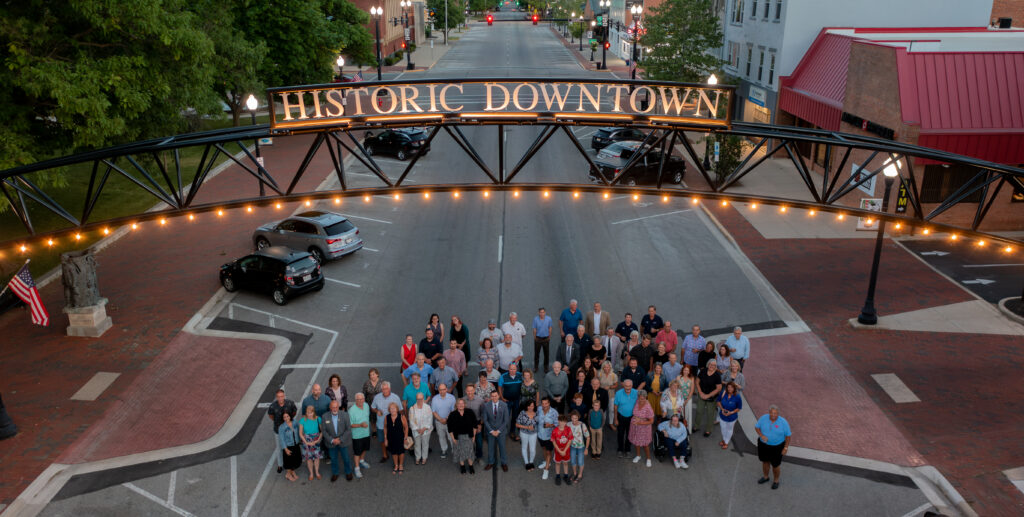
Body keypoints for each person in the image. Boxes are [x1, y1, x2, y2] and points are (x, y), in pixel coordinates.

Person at [756, 405, 792, 490]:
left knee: (775, 465)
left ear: (778, 413)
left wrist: (785, 448)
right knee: (765, 462)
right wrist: (761, 435)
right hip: (764, 445)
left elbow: (788, 436)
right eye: (772, 413)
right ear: (769, 412)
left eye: (775, 413)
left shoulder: (783, 422)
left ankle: (776, 481)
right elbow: (757, 427)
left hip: (777, 447)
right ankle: (766, 477)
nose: (773, 415)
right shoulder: (763, 418)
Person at [321, 400, 354, 482]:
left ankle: (348, 472)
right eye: (333, 407)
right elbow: (324, 431)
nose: (335, 409)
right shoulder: (324, 416)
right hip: (331, 443)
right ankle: (335, 473)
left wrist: (340, 439)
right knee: (333, 459)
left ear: (338, 407)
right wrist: (332, 440)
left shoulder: (345, 415)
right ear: (330, 407)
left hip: (343, 442)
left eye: (336, 407)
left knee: (346, 458)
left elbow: (348, 430)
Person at [267, 389, 297, 474]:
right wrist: (278, 422)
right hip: (278, 430)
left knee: (290, 446)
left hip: (289, 429)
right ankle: (280, 465)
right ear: (276, 397)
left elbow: (294, 412)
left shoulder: (290, 403)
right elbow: (271, 415)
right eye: (278, 397)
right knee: (279, 448)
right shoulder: (273, 406)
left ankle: (291, 464)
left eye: (282, 396)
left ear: (284, 396)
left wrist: (289, 420)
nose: (280, 398)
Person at [371, 381, 402, 463]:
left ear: (389, 389)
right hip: (381, 424)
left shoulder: (395, 397)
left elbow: (400, 410)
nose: (385, 390)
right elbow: (373, 407)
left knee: (394, 440)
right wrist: (377, 411)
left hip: (393, 424)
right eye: (383, 389)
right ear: (381, 389)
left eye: (386, 389)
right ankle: (385, 455)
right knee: (382, 440)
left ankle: (396, 456)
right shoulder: (377, 397)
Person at [448, 397, 479, 474]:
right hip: (458, 437)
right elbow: (450, 428)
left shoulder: (470, 412)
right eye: (459, 403)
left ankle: (471, 466)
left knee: (470, 452)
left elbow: (475, 425)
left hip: (469, 436)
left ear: (465, 404)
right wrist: (453, 439)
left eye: (462, 403)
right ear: (456, 405)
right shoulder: (452, 414)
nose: (461, 405)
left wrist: (474, 436)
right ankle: (462, 466)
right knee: (460, 452)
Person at [482, 390, 510, 471]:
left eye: (495, 396)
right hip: (490, 431)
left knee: (502, 447)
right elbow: (485, 420)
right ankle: (490, 462)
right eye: (492, 396)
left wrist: (498, 431)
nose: (494, 398)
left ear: (498, 396)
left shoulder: (504, 405)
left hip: (501, 431)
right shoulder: (486, 405)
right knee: (490, 448)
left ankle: (504, 463)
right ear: (490, 397)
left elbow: (506, 420)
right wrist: (491, 431)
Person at [302, 384, 331, 460]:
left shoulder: (327, 399)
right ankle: (313, 455)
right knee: (314, 439)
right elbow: (304, 414)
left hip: (324, 423)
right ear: (312, 391)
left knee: (325, 439)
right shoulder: (306, 401)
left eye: (319, 389)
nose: (318, 391)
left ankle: (327, 455)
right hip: (312, 424)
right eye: (316, 390)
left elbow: (330, 412)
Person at [611, 379, 638, 457]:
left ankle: (627, 450)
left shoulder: (636, 393)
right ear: (623, 386)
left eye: (629, 386)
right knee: (620, 434)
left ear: (632, 386)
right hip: (621, 416)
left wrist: (638, 417)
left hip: (632, 417)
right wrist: (615, 419)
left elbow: (639, 405)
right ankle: (620, 449)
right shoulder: (618, 393)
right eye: (626, 386)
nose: (628, 388)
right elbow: (615, 406)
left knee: (630, 434)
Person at [695, 360, 723, 437]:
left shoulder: (717, 375)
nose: (712, 366)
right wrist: (700, 393)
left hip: (712, 397)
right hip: (701, 394)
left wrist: (708, 396)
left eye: (714, 365)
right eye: (711, 364)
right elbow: (697, 382)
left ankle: (708, 430)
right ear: (708, 364)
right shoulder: (703, 371)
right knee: (699, 411)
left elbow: (719, 388)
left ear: (716, 367)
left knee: (710, 414)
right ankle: (696, 426)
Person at [629, 391, 655, 467]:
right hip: (635, 426)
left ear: (646, 397)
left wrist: (640, 423)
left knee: (645, 444)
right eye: (640, 398)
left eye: (643, 399)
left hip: (644, 428)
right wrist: (636, 421)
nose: (641, 400)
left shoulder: (648, 407)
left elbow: (651, 421)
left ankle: (648, 459)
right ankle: (638, 455)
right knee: (636, 442)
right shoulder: (637, 402)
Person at [498, 362, 524, 439]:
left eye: (514, 369)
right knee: (505, 417)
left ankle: (512, 432)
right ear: (508, 369)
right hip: (507, 401)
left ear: (516, 369)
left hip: (516, 400)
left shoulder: (520, 375)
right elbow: (499, 387)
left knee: (514, 417)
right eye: (511, 369)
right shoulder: (503, 376)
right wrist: (502, 397)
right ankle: (502, 432)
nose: (512, 371)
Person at [298, 405, 324, 480]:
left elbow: (322, 431)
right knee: (309, 458)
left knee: (317, 458)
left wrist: (318, 440)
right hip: (306, 440)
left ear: (313, 412)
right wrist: (306, 442)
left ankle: (317, 472)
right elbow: (300, 433)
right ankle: (311, 473)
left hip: (316, 440)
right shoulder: (302, 420)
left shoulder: (318, 419)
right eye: (308, 413)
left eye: (311, 413)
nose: (309, 414)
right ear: (306, 412)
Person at [431, 382, 456, 459]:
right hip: (439, 422)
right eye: (440, 390)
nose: (442, 391)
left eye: (444, 389)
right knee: (441, 437)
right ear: (438, 390)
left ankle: (454, 450)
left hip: (450, 421)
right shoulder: (434, 399)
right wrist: (441, 419)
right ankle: (444, 450)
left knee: (451, 437)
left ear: (446, 389)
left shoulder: (452, 398)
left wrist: (446, 419)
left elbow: (453, 410)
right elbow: (433, 411)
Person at [536, 397, 559, 480]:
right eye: (543, 403)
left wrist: (550, 425)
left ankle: (546, 470)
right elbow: (536, 418)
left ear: (549, 403)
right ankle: (547, 462)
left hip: (549, 436)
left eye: (546, 403)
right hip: (540, 434)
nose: (544, 405)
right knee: (544, 449)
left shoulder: (554, 412)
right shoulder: (539, 409)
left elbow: (558, 424)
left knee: (548, 452)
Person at [349, 394, 372, 476]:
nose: (360, 401)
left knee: (365, 448)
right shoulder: (351, 410)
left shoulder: (366, 406)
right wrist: (360, 425)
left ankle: (361, 461)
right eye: (358, 399)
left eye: (362, 399)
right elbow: (350, 424)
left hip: (366, 433)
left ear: (364, 399)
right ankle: (357, 468)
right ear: (355, 400)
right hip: (357, 435)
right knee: (357, 452)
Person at [463, 383, 485, 464]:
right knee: (469, 442)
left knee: (479, 442)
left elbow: (483, 413)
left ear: (474, 391)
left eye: (471, 390)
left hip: (477, 424)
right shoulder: (463, 400)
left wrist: (480, 425)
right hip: (467, 425)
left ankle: (479, 456)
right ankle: (471, 456)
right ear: (465, 391)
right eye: (468, 391)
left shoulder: (480, 400)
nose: (470, 392)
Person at [384, 402, 409, 474]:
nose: (393, 410)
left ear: (397, 409)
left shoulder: (401, 416)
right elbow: (385, 427)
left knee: (401, 452)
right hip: (391, 438)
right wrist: (385, 438)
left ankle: (401, 465)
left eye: (394, 408)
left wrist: (405, 438)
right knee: (393, 452)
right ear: (389, 410)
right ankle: (396, 465)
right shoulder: (387, 417)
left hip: (400, 438)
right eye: (391, 408)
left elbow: (406, 427)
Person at [409, 392, 433, 465]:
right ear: (416, 399)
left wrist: (424, 428)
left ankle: (424, 457)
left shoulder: (428, 407)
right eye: (418, 399)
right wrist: (417, 429)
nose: (419, 400)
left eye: (421, 399)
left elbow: (430, 419)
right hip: (416, 430)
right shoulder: (412, 408)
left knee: (425, 443)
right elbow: (411, 420)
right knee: (417, 444)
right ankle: (418, 457)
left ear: (423, 399)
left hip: (426, 430)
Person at [568, 410, 591, 483]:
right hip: (572, 446)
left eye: (576, 418)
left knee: (580, 462)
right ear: (570, 417)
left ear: (578, 417)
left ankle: (580, 475)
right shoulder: (568, 424)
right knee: (573, 461)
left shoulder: (582, 425)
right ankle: (575, 473)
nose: (574, 420)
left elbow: (588, 437)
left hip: (581, 447)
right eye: (572, 418)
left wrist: (586, 448)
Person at [718, 382, 742, 450]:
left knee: (729, 430)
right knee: (723, 428)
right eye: (728, 387)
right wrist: (722, 409)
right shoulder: (723, 393)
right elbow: (718, 401)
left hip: (732, 417)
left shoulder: (737, 397)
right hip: (723, 415)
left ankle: (726, 442)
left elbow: (739, 408)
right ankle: (724, 439)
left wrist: (731, 412)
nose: (729, 389)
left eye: (731, 387)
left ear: (734, 388)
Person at [516, 400, 539, 470]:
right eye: (529, 406)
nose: (530, 407)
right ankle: (526, 463)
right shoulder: (522, 413)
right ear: (526, 406)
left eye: (532, 406)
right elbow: (517, 424)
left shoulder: (537, 413)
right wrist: (527, 427)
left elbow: (539, 423)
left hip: (534, 433)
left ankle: (531, 462)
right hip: (524, 433)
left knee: (532, 449)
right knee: (524, 447)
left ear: (534, 406)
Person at [550, 414, 573, 485]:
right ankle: (558, 476)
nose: (562, 423)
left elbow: (570, 440)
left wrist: (564, 451)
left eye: (564, 422)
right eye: (561, 421)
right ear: (558, 421)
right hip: (558, 451)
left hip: (566, 451)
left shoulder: (568, 429)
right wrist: (560, 451)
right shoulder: (555, 431)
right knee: (558, 463)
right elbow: (553, 441)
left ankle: (566, 476)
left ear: (566, 422)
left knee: (565, 463)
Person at [597, 361, 619, 425]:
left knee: (611, 410)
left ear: (610, 367)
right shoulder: (600, 374)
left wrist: (610, 387)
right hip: (602, 395)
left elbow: (616, 385)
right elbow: (597, 383)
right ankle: (602, 423)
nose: (606, 368)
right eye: (605, 367)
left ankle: (611, 423)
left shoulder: (614, 375)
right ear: (603, 367)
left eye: (608, 367)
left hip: (611, 395)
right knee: (603, 409)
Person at [532, 308, 553, 373]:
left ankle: (546, 367)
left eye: (543, 312)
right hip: (538, 338)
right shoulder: (535, 319)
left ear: (545, 312)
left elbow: (550, 328)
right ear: (538, 313)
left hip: (546, 338)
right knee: (536, 354)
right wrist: (535, 337)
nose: (542, 313)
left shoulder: (549, 319)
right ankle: (536, 367)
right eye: (540, 312)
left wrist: (549, 336)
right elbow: (534, 329)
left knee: (546, 354)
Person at [679, 364, 697, 433]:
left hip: (688, 399)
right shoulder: (679, 377)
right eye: (684, 370)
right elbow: (677, 389)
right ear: (682, 370)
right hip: (680, 399)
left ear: (689, 371)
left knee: (688, 414)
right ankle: (680, 429)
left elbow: (692, 390)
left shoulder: (691, 378)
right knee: (681, 414)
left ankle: (688, 430)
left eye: (687, 370)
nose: (686, 372)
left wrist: (687, 400)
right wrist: (681, 400)